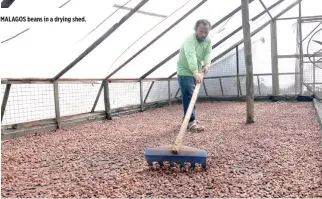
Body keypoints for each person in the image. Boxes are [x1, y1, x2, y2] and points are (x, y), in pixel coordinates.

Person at [177, 19, 212, 131]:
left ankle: (187, 119)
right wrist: (195, 72)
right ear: (196, 29)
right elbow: (190, 55)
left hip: (196, 71)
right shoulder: (189, 40)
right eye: (201, 31)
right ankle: (191, 121)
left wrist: (206, 65)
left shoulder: (208, 40)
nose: (203, 34)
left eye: (206, 32)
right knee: (189, 96)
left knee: (191, 95)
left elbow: (208, 54)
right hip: (185, 71)